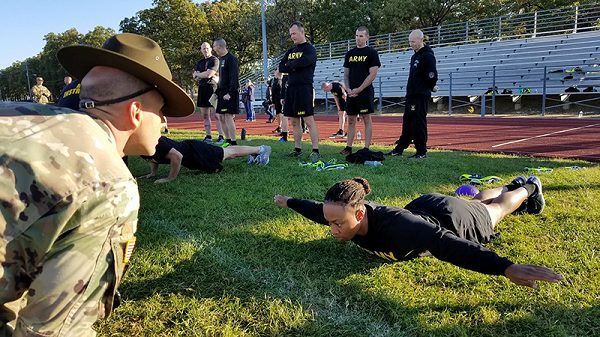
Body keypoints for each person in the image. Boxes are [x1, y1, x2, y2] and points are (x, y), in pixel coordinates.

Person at [0, 32, 194, 336]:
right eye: (162, 112)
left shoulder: (14, 114)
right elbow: (53, 329)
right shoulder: (109, 182)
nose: (165, 124)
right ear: (136, 113)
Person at [274, 176, 564, 289]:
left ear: (360, 213)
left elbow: (445, 244)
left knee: (494, 211)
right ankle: (510, 185)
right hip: (423, 205)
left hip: (448, 218)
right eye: (331, 223)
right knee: (478, 200)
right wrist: (288, 201)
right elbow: (316, 210)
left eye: (338, 223)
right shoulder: (341, 212)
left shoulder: (400, 228)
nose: (332, 228)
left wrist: (505, 267)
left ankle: (529, 188)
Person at [389, 29, 438, 159]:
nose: (411, 44)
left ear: (421, 40)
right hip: (411, 94)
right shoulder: (414, 55)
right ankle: (400, 148)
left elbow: (432, 74)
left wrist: (432, 85)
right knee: (408, 121)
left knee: (418, 122)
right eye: (409, 41)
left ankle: (421, 151)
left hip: (420, 94)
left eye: (413, 41)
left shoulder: (427, 55)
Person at [139, 136, 271, 183]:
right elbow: (153, 158)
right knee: (226, 154)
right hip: (193, 155)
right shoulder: (140, 145)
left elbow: (177, 156)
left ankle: (261, 149)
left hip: (196, 151)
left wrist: (170, 178)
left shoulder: (155, 141)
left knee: (229, 153)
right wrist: (153, 173)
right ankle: (254, 153)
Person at [278, 21, 320, 161]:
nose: (292, 37)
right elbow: (281, 66)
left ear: (302, 32)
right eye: (291, 34)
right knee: (294, 121)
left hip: (304, 88)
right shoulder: (290, 51)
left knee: (308, 120)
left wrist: (289, 66)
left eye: (294, 33)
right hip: (291, 89)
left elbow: (303, 62)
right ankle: (297, 148)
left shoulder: (310, 49)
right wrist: (292, 66)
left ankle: (315, 150)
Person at [341, 26, 381, 155]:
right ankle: (348, 147)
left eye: (361, 36)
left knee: (366, 118)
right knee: (351, 119)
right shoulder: (350, 54)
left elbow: (373, 74)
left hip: (365, 91)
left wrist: (360, 88)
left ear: (367, 37)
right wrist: (347, 89)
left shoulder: (372, 53)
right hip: (351, 92)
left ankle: (366, 147)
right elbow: (346, 75)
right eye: (357, 36)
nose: (358, 38)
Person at [193, 42, 224, 144]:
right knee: (205, 115)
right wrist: (203, 74)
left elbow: (210, 74)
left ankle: (221, 136)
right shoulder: (200, 62)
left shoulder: (214, 60)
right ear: (201, 50)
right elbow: (195, 76)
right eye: (203, 48)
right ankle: (208, 136)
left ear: (210, 49)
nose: (205, 50)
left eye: (207, 48)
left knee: (217, 114)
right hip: (202, 88)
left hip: (212, 88)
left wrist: (200, 74)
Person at [213, 38, 240, 146]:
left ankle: (233, 142)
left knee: (228, 116)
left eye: (214, 46)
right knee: (221, 116)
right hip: (221, 92)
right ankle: (227, 140)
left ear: (219, 46)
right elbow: (222, 79)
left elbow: (234, 77)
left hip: (229, 93)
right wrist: (217, 91)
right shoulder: (221, 59)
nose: (213, 48)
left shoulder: (231, 59)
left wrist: (230, 93)